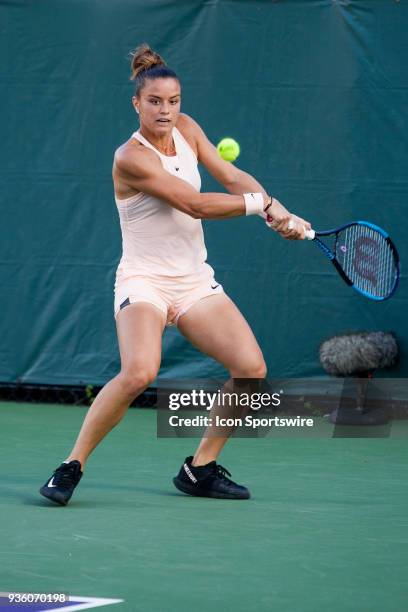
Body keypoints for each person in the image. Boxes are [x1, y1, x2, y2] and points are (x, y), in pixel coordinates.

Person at [39, 43, 311, 506]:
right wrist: (261, 205)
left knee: (251, 369)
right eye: (155, 102)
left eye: (173, 100)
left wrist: (277, 210)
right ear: (136, 103)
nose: (166, 110)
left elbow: (229, 174)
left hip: (193, 282)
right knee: (139, 371)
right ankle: (71, 465)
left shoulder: (186, 129)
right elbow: (194, 203)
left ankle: (199, 468)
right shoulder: (130, 157)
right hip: (144, 281)